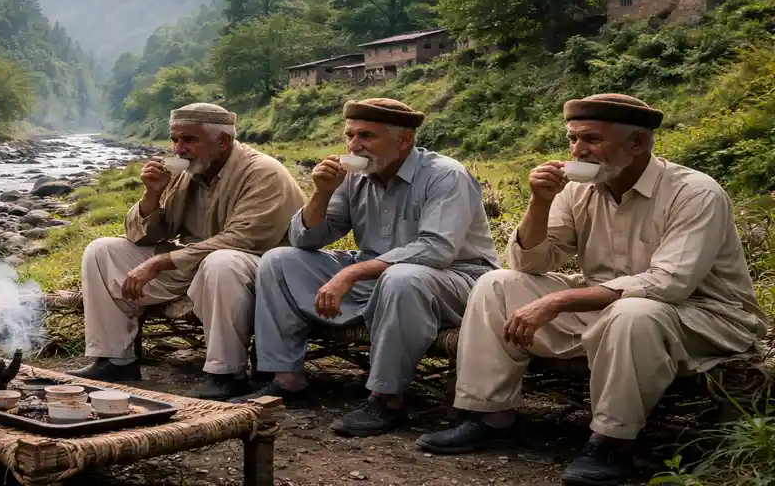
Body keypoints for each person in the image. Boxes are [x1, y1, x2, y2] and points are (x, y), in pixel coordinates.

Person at [416, 94, 769, 486]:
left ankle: (611, 442)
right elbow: (530, 264)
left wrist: (558, 301)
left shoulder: (695, 193)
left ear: (637, 144)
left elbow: (670, 284)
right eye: (572, 139)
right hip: (607, 305)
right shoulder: (578, 189)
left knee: (634, 313)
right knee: (496, 285)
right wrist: (539, 201)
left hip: (704, 316)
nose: (578, 150)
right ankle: (487, 416)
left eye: (592, 139)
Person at [236, 98, 500, 436]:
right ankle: (287, 379)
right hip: (378, 276)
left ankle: (386, 398)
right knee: (280, 260)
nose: (354, 145)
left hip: (455, 281)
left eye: (366, 136)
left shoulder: (445, 175)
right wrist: (320, 193)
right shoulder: (355, 177)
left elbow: (435, 250)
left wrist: (350, 274)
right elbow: (306, 240)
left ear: (403, 140)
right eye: (350, 135)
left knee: (402, 278)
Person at [70, 102, 307, 399]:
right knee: (102, 251)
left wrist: (160, 263)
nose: (178, 149)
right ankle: (114, 359)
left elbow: (242, 240)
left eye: (189, 140)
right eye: (174, 139)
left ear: (223, 141)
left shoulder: (263, 173)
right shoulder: (189, 171)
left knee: (222, 263)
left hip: (254, 269)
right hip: (195, 262)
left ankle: (226, 373)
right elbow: (144, 235)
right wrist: (152, 195)